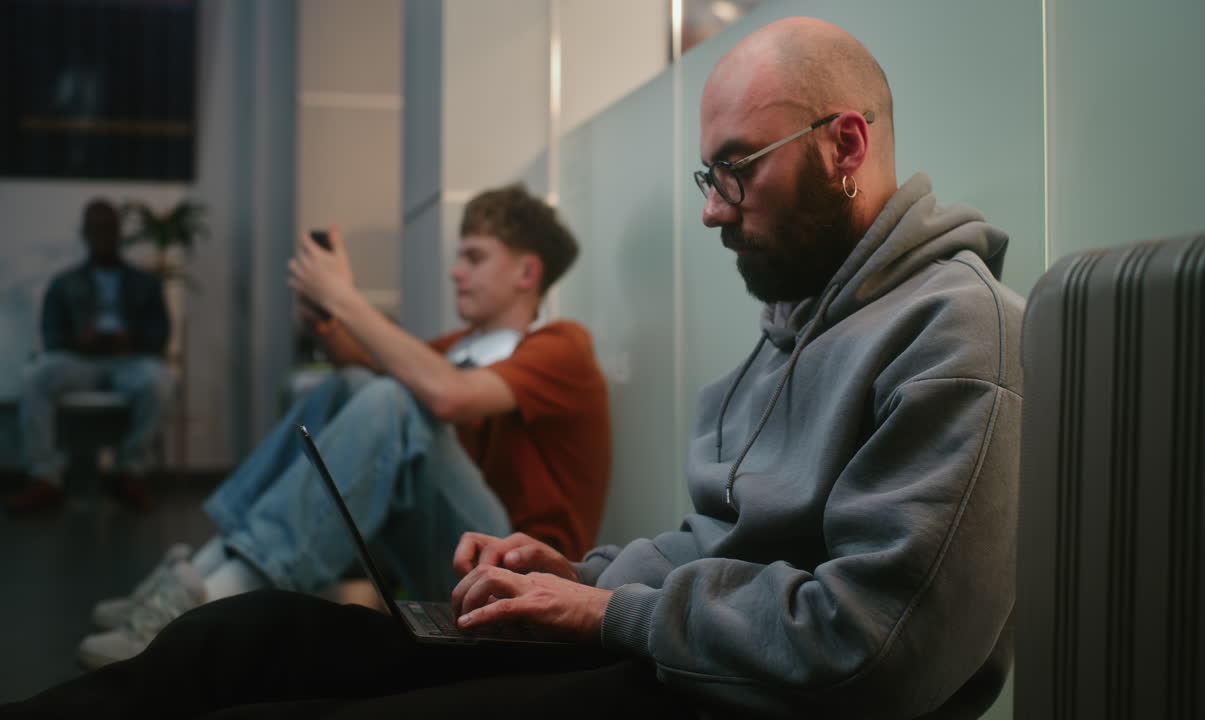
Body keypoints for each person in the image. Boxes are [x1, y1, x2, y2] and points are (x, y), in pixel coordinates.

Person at [5, 17, 1023, 719]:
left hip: (725, 695)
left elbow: (880, 648)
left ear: (844, 143)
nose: (712, 207)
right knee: (226, 649)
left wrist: (606, 609)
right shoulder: (793, 325)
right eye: (707, 176)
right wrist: (578, 576)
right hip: (678, 654)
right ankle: (213, 591)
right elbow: (715, 549)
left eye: (735, 168)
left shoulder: (953, 333)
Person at [72, 184, 612, 670]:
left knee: (394, 398)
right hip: (458, 559)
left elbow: (449, 395)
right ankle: (205, 572)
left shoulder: (562, 345)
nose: (456, 271)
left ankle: (218, 604)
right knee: (349, 385)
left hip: (521, 580)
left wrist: (346, 300)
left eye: (474, 257)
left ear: (526, 273)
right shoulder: (460, 348)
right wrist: (327, 316)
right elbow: (363, 364)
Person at [4, 199, 172, 513]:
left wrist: (132, 340)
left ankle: (128, 472)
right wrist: (77, 340)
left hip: (129, 360)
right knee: (36, 376)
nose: (102, 235)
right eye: (95, 229)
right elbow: (51, 336)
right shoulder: (64, 283)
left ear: (119, 232)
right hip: (79, 360)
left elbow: (159, 335)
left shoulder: (145, 283)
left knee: (159, 381)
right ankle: (45, 478)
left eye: (108, 228)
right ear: (85, 234)